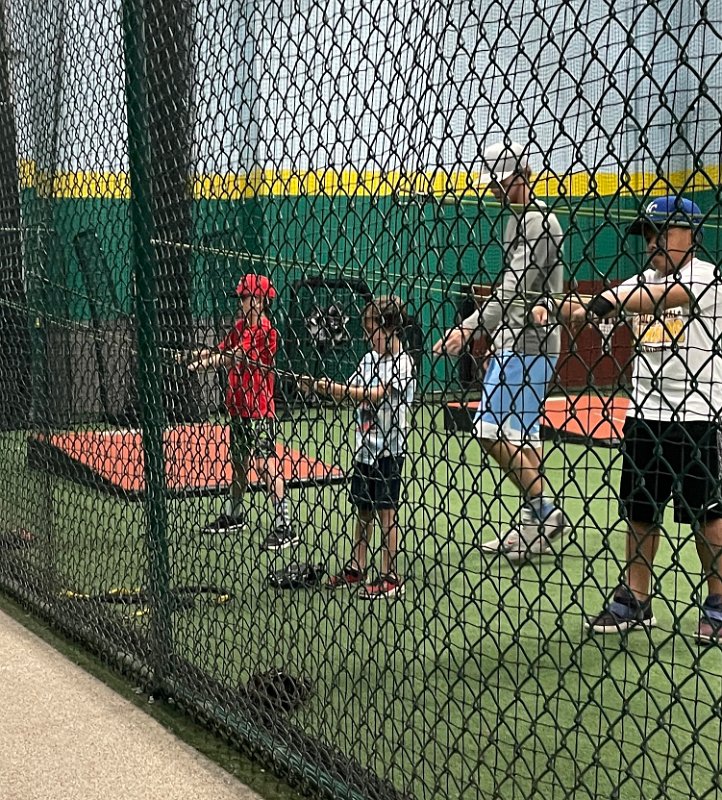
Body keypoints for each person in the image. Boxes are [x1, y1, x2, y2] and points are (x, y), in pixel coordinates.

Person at [538, 195, 722, 643]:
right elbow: (594, 306)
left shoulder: (705, 277)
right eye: (648, 235)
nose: (652, 242)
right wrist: (553, 305)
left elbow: (648, 298)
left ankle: (719, 601)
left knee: (707, 515)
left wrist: (604, 302)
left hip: (697, 415)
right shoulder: (641, 280)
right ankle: (636, 599)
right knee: (640, 511)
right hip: (644, 415)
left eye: (663, 233)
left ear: (691, 236)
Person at [433, 140, 567, 561]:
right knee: (522, 437)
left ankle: (545, 512)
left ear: (522, 175)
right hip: (516, 343)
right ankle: (533, 524)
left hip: (531, 344)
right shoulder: (517, 222)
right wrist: (497, 339)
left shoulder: (540, 221)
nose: (494, 189)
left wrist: (470, 327)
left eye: (501, 181)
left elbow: (514, 288)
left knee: (488, 431)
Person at [299, 295, 416, 599]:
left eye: (372, 331)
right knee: (363, 508)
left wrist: (331, 386)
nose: (368, 338)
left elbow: (375, 394)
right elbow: (352, 391)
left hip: (389, 450)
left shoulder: (403, 364)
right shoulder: (369, 359)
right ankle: (357, 565)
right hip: (365, 448)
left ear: (389, 328)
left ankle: (391, 575)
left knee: (386, 511)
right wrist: (319, 387)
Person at [184, 273, 298, 550]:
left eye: (246, 298)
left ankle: (285, 524)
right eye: (242, 298)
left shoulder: (266, 331)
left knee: (264, 464)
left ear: (259, 301)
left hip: (259, 410)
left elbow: (234, 356)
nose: (242, 303)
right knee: (239, 463)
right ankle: (235, 515)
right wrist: (192, 354)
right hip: (238, 407)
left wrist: (202, 365)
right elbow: (221, 348)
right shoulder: (239, 327)